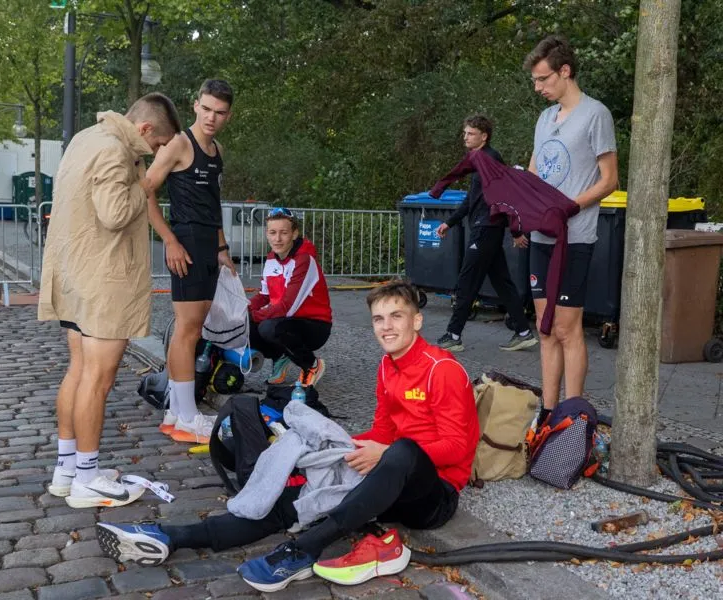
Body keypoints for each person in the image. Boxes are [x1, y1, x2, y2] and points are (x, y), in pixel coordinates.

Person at [96, 280, 479, 593]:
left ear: (417, 321)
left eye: (397, 316)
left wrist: (384, 451)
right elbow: (381, 431)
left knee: (403, 451)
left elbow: (458, 448)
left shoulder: (442, 370)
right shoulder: (386, 366)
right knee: (288, 499)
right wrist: (339, 446)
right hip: (387, 479)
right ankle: (171, 536)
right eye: (379, 319)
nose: (386, 327)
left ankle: (303, 550)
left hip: (433, 494)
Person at [39, 93, 182, 508]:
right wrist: (149, 180)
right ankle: (86, 478)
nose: (156, 153)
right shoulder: (115, 150)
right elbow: (115, 214)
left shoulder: (86, 138)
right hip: (102, 280)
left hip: (75, 275)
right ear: (145, 129)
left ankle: (67, 470)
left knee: (79, 371)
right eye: (158, 145)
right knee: (97, 380)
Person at [519, 36, 618, 424]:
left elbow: (609, 180)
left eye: (543, 79)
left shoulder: (595, 114)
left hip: (574, 237)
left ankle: (573, 416)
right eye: (534, 81)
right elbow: (533, 172)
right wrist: (517, 205)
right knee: (544, 328)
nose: (538, 87)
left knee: (566, 328)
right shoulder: (545, 119)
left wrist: (569, 206)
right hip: (541, 237)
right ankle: (547, 412)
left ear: (565, 71)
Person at [142, 79, 237, 444]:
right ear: (195, 105)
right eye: (207, 109)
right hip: (186, 243)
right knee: (187, 330)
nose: (211, 117)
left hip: (207, 244)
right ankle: (185, 416)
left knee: (193, 330)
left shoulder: (217, 150)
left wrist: (222, 247)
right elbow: (145, 191)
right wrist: (169, 240)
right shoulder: (180, 143)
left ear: (228, 116)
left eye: (220, 112)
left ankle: (176, 411)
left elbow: (212, 204)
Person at [431, 115, 537, 354]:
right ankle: (523, 332)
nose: (465, 137)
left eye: (471, 133)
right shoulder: (478, 160)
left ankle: (453, 335)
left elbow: (505, 196)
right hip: (485, 228)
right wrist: (450, 222)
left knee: (467, 281)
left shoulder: (490, 159)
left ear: (484, 136)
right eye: (465, 133)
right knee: (503, 282)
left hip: (486, 229)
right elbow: (473, 198)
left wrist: (516, 230)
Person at [249, 207, 331, 386]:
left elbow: (287, 307)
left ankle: (312, 365)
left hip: (315, 325)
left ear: (294, 234)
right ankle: (281, 356)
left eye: (284, 233)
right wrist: (243, 310)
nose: (277, 238)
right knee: (244, 325)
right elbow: (264, 295)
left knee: (268, 327)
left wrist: (254, 315)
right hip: (286, 321)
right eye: (273, 232)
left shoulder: (304, 260)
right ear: (267, 234)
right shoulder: (271, 258)